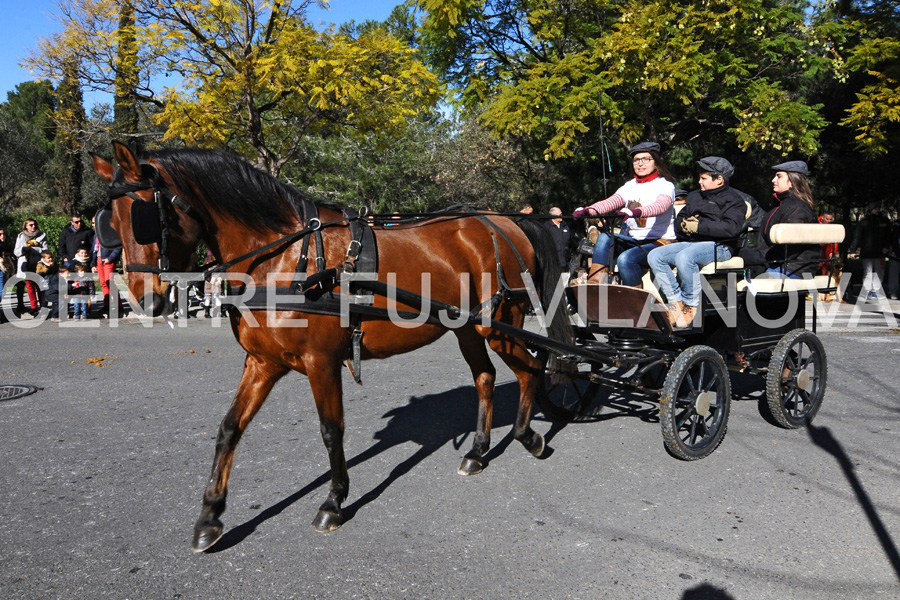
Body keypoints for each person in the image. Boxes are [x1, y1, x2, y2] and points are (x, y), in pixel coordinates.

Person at [647, 157, 747, 328]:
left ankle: (690, 305)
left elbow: (731, 229)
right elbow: (679, 220)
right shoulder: (694, 196)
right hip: (692, 244)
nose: (699, 181)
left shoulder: (734, 201)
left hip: (720, 246)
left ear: (719, 180)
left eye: (704, 178)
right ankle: (675, 303)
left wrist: (699, 227)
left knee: (685, 257)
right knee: (655, 255)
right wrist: (685, 226)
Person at [572, 142, 677, 286]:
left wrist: (635, 212)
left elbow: (661, 206)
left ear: (656, 162)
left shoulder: (665, 185)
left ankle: (634, 299)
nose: (640, 163)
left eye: (646, 159)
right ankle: (596, 284)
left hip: (661, 242)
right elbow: (609, 203)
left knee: (625, 259)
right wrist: (587, 211)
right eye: (636, 160)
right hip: (635, 241)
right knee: (604, 238)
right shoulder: (629, 186)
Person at [754, 161, 819, 279]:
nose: (773, 180)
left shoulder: (797, 208)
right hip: (778, 264)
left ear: (793, 182)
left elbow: (791, 247)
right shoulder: (781, 205)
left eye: (779, 176)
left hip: (793, 268)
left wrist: (760, 259)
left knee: (749, 288)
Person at [848, 203, 891, 301]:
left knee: (880, 271)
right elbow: (857, 237)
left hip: (880, 251)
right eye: (874, 208)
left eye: (878, 208)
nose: (877, 210)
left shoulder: (885, 221)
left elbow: (888, 236)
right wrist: (853, 250)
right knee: (868, 272)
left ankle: (875, 290)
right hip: (867, 251)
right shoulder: (864, 222)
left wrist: (886, 247)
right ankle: (866, 291)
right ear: (870, 210)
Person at [13, 219, 48, 317]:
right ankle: (33, 307)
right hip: (26, 264)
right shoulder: (21, 236)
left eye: (35, 225)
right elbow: (16, 252)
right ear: (26, 226)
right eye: (31, 225)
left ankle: (42, 307)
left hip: (38, 264)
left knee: (39, 286)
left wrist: (34, 247)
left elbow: (46, 251)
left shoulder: (42, 236)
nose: (33, 227)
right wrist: (24, 249)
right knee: (29, 286)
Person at [92, 217, 122, 318]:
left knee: (110, 282)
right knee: (103, 283)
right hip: (99, 259)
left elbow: (118, 247)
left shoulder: (111, 232)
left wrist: (111, 258)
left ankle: (119, 306)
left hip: (107, 260)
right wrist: (93, 264)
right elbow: (94, 250)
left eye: (95, 223)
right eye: (92, 223)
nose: (93, 225)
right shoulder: (96, 235)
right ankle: (107, 304)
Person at [545, 207, 572, 273]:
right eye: (560, 215)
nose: (562, 216)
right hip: (553, 263)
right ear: (553, 216)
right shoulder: (546, 227)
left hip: (565, 261)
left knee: (565, 281)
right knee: (557, 282)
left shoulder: (565, 226)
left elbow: (570, 241)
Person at [0, 227, 14, 313]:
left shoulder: (5, 244)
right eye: (0, 234)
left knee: (3, 290)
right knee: (2, 290)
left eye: (3, 234)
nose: (2, 236)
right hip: (1, 269)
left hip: (4, 269)